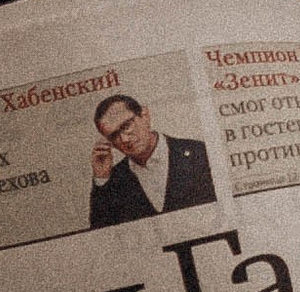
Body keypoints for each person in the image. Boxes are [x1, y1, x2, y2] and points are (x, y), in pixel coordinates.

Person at [88, 90, 215, 225]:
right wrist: (101, 179)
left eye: (126, 126)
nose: (124, 139)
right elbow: (102, 237)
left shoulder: (201, 152)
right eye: (113, 135)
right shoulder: (112, 181)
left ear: (145, 115)